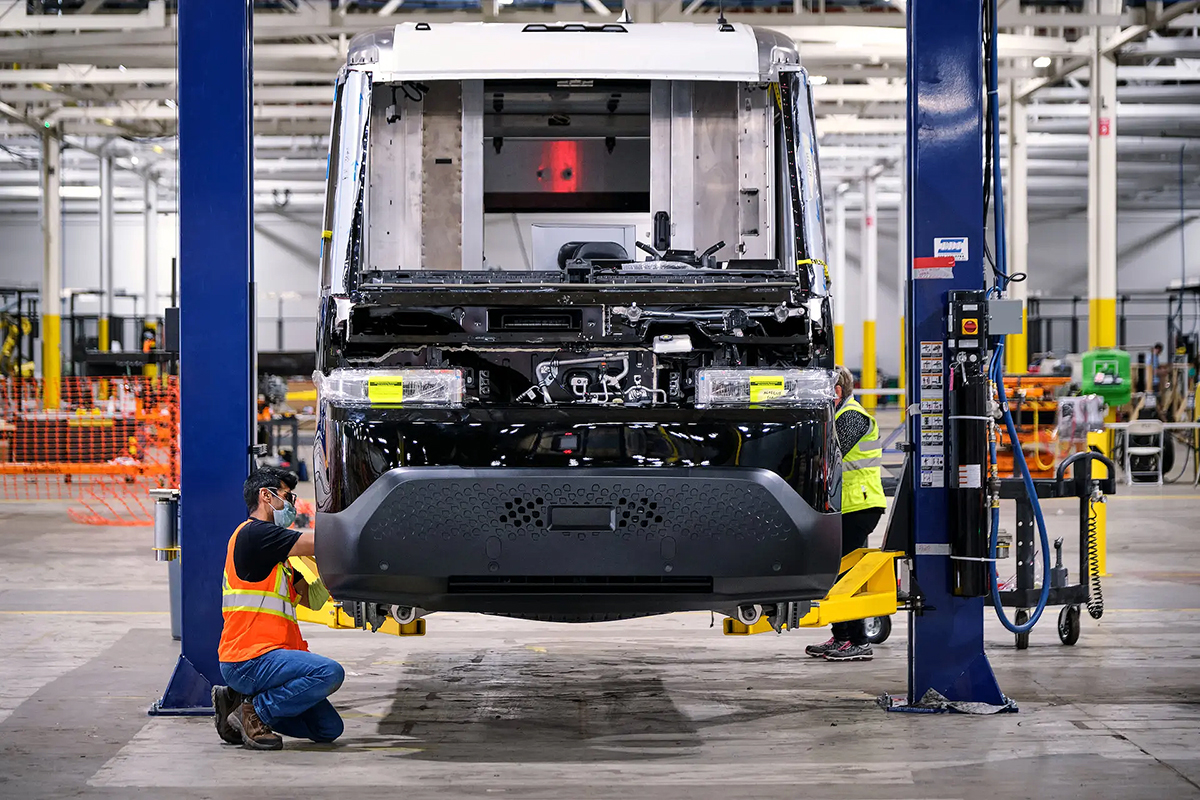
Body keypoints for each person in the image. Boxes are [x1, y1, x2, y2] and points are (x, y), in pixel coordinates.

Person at [210, 466, 345, 750]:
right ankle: (256, 713)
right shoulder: (255, 534)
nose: (291, 504)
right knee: (329, 673)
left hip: (273, 660)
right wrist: (352, 532)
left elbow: (314, 599)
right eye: (287, 496)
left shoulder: (277, 560)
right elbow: (315, 542)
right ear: (265, 496)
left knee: (328, 728)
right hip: (250, 658)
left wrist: (331, 573)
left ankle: (239, 702)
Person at [806, 366, 887, 662]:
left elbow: (826, 453)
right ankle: (841, 636)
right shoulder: (838, 415)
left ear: (837, 392)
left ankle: (858, 641)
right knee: (836, 571)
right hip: (845, 505)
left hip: (860, 505)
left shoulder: (852, 417)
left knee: (847, 574)